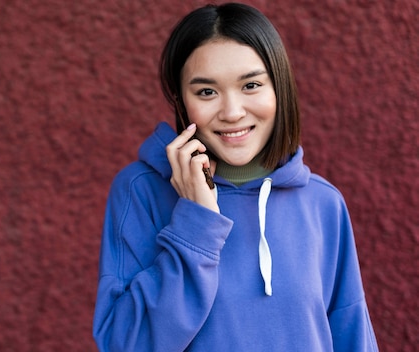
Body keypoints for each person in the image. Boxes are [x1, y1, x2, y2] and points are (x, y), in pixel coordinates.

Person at [92, 3, 378, 351]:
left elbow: (352, 336)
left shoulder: (323, 203)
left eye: (251, 85)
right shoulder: (142, 190)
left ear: (279, 88)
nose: (232, 112)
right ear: (182, 101)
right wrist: (195, 223)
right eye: (206, 92)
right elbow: (127, 344)